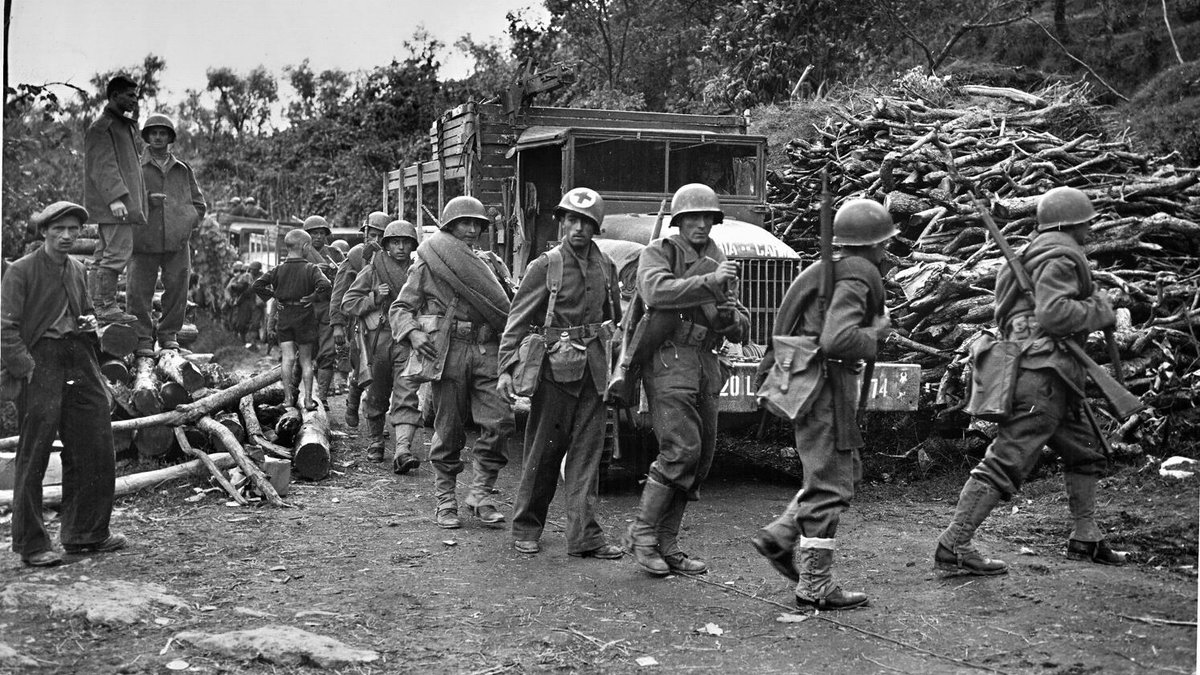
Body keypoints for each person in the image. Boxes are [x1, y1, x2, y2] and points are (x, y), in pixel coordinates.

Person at [933, 186, 1127, 576]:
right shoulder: (1061, 256)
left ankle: (1086, 536)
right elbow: (1055, 314)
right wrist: (1099, 309)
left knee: (1085, 451)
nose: (1089, 229)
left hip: (1047, 374)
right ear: (1071, 224)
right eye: (1085, 222)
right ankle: (954, 544)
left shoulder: (1024, 257)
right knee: (1006, 461)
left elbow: (1013, 317)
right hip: (1043, 378)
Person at [750, 198, 895, 610]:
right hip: (825, 389)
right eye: (884, 243)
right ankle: (815, 584)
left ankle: (781, 535)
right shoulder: (857, 276)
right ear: (874, 244)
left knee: (842, 473)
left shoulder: (831, 270)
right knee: (830, 485)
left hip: (815, 386)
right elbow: (837, 338)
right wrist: (876, 333)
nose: (886, 251)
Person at [624, 183, 749, 576]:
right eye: (693, 217)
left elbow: (740, 324)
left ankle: (667, 543)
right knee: (681, 449)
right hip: (669, 358)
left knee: (702, 457)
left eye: (707, 217)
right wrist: (711, 282)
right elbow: (656, 292)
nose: (701, 224)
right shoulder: (659, 252)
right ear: (679, 220)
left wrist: (730, 315)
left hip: (706, 363)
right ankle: (642, 536)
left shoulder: (718, 257)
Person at [498, 188, 624, 559]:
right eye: (572, 220)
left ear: (596, 227)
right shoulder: (545, 266)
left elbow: (615, 320)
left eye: (586, 222)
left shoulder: (606, 266)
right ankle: (526, 527)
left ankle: (584, 537)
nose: (578, 228)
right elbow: (517, 320)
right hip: (554, 372)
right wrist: (505, 369)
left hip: (594, 373)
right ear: (562, 222)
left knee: (587, 458)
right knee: (543, 454)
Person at [1, 201, 128, 567]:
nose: (67, 236)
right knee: (35, 449)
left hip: (77, 355)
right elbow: (5, 327)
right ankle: (31, 544)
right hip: (39, 359)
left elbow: (84, 311)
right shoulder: (21, 271)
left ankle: (86, 533)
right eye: (59, 229)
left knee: (95, 441)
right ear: (44, 232)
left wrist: (90, 323)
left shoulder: (77, 268)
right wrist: (25, 367)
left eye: (73, 230)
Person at [390, 196, 514, 530]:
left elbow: (508, 306)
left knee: (500, 421)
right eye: (464, 223)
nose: (471, 229)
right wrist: (413, 333)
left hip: (487, 349)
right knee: (448, 430)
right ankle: (446, 501)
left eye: (476, 224)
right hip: (448, 352)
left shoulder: (491, 264)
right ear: (449, 227)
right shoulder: (429, 262)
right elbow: (400, 308)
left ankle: (481, 494)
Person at [344, 220, 422, 470]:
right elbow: (348, 302)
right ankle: (376, 441)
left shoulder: (419, 270)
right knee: (376, 394)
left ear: (412, 245)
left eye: (405, 242)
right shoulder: (373, 270)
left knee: (406, 392)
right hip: (379, 339)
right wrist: (374, 297)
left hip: (406, 339)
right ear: (387, 245)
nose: (400, 247)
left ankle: (403, 450)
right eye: (395, 242)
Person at [129, 113, 206, 355]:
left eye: (163, 133)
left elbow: (199, 204)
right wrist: (146, 201)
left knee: (178, 287)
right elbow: (126, 201)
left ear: (170, 137)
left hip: (177, 240)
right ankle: (142, 337)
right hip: (144, 238)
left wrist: (186, 223)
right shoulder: (135, 167)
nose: (158, 137)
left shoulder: (182, 169)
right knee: (138, 290)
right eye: (154, 133)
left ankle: (168, 334)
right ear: (147, 137)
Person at [84, 74, 145, 325]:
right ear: (114, 95)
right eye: (129, 95)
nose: (134, 100)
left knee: (103, 253)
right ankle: (106, 305)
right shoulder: (103, 126)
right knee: (117, 253)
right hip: (115, 206)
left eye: (136, 96)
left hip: (119, 205)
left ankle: (95, 304)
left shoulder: (122, 126)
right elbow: (103, 166)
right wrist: (115, 199)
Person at [252, 229, 331, 410]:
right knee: (306, 360)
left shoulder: (278, 269)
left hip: (285, 315)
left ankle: (288, 399)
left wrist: (275, 296)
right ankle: (308, 400)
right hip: (305, 316)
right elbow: (325, 284)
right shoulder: (311, 268)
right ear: (306, 246)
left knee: (287, 359)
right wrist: (313, 297)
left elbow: (257, 285)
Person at [331, 212, 388, 427]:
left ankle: (376, 418)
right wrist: (337, 325)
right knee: (362, 365)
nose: (376, 240)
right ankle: (354, 402)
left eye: (382, 236)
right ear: (365, 235)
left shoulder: (393, 258)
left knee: (383, 372)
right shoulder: (356, 257)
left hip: (387, 323)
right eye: (372, 235)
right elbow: (340, 294)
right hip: (359, 321)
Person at [301, 216, 345, 406]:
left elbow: (345, 278)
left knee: (327, 353)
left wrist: (333, 272)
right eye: (314, 233)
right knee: (305, 353)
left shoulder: (334, 254)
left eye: (321, 233)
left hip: (328, 306)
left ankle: (323, 397)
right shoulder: (299, 253)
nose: (318, 237)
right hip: (306, 309)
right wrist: (311, 271)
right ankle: (299, 394)